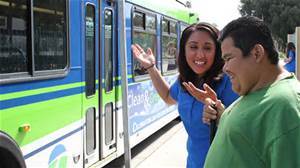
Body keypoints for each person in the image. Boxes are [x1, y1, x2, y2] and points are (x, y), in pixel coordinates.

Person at [131, 23, 238, 168]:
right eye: (193, 47)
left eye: (207, 48)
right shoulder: (186, 79)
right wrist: (151, 67)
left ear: (217, 51)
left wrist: (220, 112)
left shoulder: (229, 81)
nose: (200, 54)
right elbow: (168, 97)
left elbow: (244, 128)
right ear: (184, 50)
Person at [202, 16, 300, 168]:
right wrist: (223, 116)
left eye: (229, 58)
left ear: (256, 53)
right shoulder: (260, 89)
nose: (225, 68)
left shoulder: (286, 105)